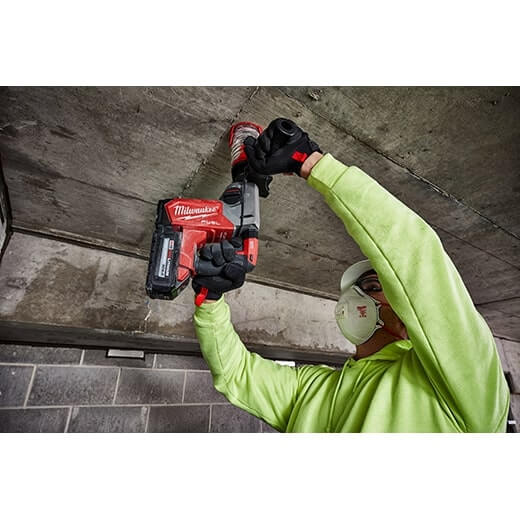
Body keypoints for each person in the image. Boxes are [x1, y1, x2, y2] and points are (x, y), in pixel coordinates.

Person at [191, 118, 510, 433]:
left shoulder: (463, 383)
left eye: (372, 286)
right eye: (356, 289)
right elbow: (237, 374)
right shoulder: (312, 388)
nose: (356, 298)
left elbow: (415, 256)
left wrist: (311, 162)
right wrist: (211, 300)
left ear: (407, 316)